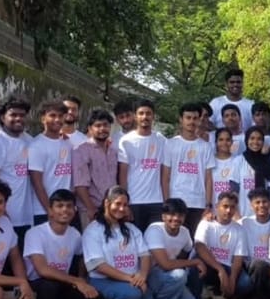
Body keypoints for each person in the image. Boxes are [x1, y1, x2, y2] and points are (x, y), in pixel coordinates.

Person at [24, 189, 101, 299]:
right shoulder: (35, 233)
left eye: (69, 206)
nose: (64, 210)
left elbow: (81, 257)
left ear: (74, 210)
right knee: (49, 286)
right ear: (50, 211)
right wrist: (77, 281)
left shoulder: (75, 234)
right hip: (36, 285)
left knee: (94, 297)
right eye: (59, 206)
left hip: (61, 282)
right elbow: (42, 270)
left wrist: (82, 279)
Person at [82, 186, 160, 299]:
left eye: (125, 205)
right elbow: (98, 265)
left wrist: (142, 276)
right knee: (132, 293)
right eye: (117, 204)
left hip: (133, 281)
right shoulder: (93, 230)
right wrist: (130, 279)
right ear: (106, 203)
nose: (122, 208)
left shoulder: (131, 229)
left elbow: (145, 255)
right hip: (105, 281)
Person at [0, 96, 33, 245]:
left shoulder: (29, 140)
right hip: (3, 217)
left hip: (25, 217)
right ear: (3, 117)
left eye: (22, 115)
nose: (18, 118)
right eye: (13, 115)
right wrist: (1, 212)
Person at [144, 198, 206, 299]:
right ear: (163, 216)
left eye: (180, 215)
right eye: (171, 214)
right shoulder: (155, 229)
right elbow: (165, 264)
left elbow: (189, 250)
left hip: (170, 277)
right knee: (179, 275)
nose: (176, 218)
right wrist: (195, 262)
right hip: (151, 275)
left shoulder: (184, 232)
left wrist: (196, 260)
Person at [162, 102, 215, 234]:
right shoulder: (170, 144)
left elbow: (209, 178)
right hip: (176, 202)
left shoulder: (205, 146)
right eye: (188, 118)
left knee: (194, 243)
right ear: (181, 119)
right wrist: (166, 202)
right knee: (175, 240)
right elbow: (165, 177)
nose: (192, 121)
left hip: (198, 203)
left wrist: (208, 205)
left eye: (195, 118)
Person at [194, 191, 252, 299]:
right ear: (217, 207)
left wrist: (232, 279)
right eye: (225, 206)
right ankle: (212, 289)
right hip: (211, 264)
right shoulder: (206, 224)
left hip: (228, 266)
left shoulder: (239, 229)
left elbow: (238, 257)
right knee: (197, 262)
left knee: (245, 285)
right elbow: (199, 247)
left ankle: (222, 290)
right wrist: (220, 270)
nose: (228, 211)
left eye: (232, 207)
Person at [117, 99, 166, 231]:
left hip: (156, 201)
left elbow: (164, 173)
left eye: (148, 113)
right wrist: (125, 204)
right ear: (135, 116)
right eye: (141, 113)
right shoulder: (126, 141)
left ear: (153, 116)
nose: (145, 117)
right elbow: (123, 175)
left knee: (155, 243)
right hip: (134, 202)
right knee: (135, 242)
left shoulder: (161, 140)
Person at [28, 101, 73, 226]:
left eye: (61, 116)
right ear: (43, 118)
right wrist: (49, 209)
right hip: (43, 211)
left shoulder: (68, 143)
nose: (57, 119)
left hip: (66, 210)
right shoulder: (36, 146)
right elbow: (37, 183)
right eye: (52, 115)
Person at [73, 108, 119, 227]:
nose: (102, 129)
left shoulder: (113, 151)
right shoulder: (82, 151)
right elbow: (80, 184)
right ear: (90, 128)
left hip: (112, 208)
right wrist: (91, 208)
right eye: (98, 125)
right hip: (91, 209)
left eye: (105, 125)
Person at [240, 188, 270, 299]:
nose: (261, 205)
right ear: (251, 205)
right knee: (258, 264)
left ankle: (264, 294)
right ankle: (256, 298)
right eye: (257, 202)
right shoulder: (245, 222)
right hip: (251, 267)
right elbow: (226, 223)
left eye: (264, 202)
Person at [237, 126, 270, 219]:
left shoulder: (268, 162)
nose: (255, 142)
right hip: (243, 213)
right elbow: (234, 188)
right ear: (246, 140)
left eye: (259, 139)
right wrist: (236, 215)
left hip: (264, 213)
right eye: (252, 138)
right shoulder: (238, 160)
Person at [210, 128, 244, 211]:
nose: (224, 143)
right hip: (213, 208)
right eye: (221, 140)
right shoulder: (210, 161)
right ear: (216, 142)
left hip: (232, 210)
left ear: (232, 142)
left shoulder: (238, 161)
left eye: (228, 140)